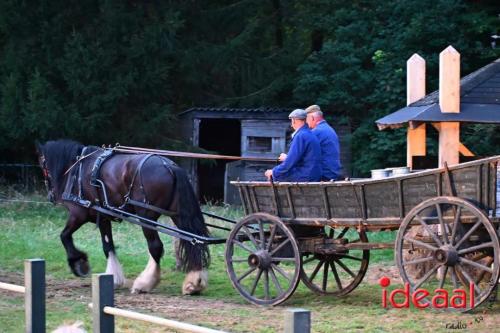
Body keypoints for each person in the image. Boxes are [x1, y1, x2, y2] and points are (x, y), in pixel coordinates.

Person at [265, 109, 321, 182]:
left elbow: (290, 162)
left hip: (305, 175)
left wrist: (273, 172)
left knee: (274, 176)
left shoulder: (301, 135)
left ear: (294, 120)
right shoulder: (310, 133)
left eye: (291, 121)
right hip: (313, 174)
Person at [305, 105, 342, 181]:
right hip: (334, 172)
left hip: (324, 174)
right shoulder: (329, 129)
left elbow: (304, 155)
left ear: (312, 118)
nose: (306, 123)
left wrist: (288, 158)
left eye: (306, 119)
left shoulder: (316, 132)